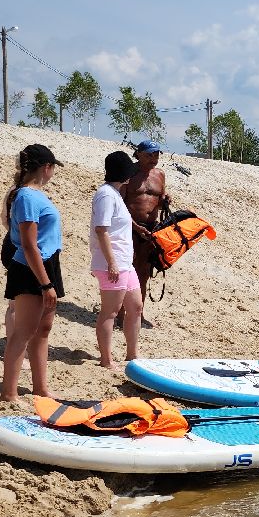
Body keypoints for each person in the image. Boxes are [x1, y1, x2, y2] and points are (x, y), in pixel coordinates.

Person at [1, 145, 62, 402]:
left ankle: (40, 387)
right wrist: (46, 284)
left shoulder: (34, 195)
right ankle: (9, 393)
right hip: (30, 267)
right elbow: (28, 244)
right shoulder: (27, 196)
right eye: (52, 169)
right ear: (45, 168)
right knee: (23, 331)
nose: (52, 174)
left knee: (43, 328)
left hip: (47, 263)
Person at [91, 151, 143, 369]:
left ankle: (132, 355)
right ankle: (106, 359)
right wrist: (111, 262)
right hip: (112, 263)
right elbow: (101, 230)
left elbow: (120, 224)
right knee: (110, 311)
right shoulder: (105, 195)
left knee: (136, 306)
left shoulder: (115, 194)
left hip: (124, 263)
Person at [123, 140, 169, 322]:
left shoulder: (160, 175)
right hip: (130, 227)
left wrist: (164, 200)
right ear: (138, 154)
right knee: (126, 270)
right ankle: (119, 314)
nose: (154, 158)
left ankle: (138, 313)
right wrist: (135, 226)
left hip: (150, 228)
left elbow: (159, 197)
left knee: (144, 271)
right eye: (150, 154)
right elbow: (121, 203)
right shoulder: (129, 173)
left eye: (156, 154)